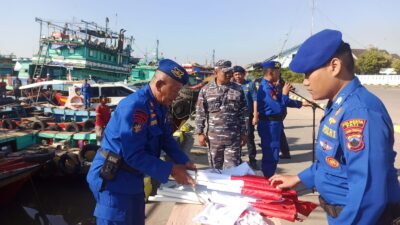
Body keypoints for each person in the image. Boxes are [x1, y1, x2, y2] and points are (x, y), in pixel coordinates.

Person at [270, 29, 400, 225]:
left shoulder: (359, 112)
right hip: (342, 214)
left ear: (334, 66)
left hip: (364, 218)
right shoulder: (338, 105)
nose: (305, 82)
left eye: (308, 73)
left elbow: (368, 194)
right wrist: (298, 178)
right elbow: (332, 162)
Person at [87, 59, 196, 225]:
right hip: (113, 180)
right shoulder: (135, 107)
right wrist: (172, 170)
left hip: (134, 178)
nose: (175, 97)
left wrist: (184, 160)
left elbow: (165, 138)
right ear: (159, 85)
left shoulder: (158, 105)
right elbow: (134, 154)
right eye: (174, 91)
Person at [257, 61, 306, 178]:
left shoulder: (271, 86)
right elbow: (278, 108)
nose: (279, 74)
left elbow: (283, 101)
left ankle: (269, 176)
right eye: (278, 72)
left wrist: (301, 103)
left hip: (274, 124)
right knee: (271, 154)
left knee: (273, 152)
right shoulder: (266, 88)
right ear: (270, 72)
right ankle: (268, 179)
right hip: (269, 124)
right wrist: (284, 93)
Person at [195, 60, 247, 170]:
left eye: (230, 72)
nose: (229, 75)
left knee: (232, 170)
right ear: (216, 72)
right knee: (215, 171)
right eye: (225, 72)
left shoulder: (238, 89)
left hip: (233, 138)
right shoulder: (206, 90)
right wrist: (199, 133)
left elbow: (242, 114)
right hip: (214, 139)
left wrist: (244, 133)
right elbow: (200, 113)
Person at [232, 65, 259, 169]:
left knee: (249, 138)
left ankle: (253, 160)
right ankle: (237, 159)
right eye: (236, 74)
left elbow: (255, 99)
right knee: (236, 139)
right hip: (234, 116)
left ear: (244, 74)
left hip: (247, 115)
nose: (238, 76)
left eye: (240, 74)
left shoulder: (250, 85)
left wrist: (255, 115)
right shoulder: (231, 85)